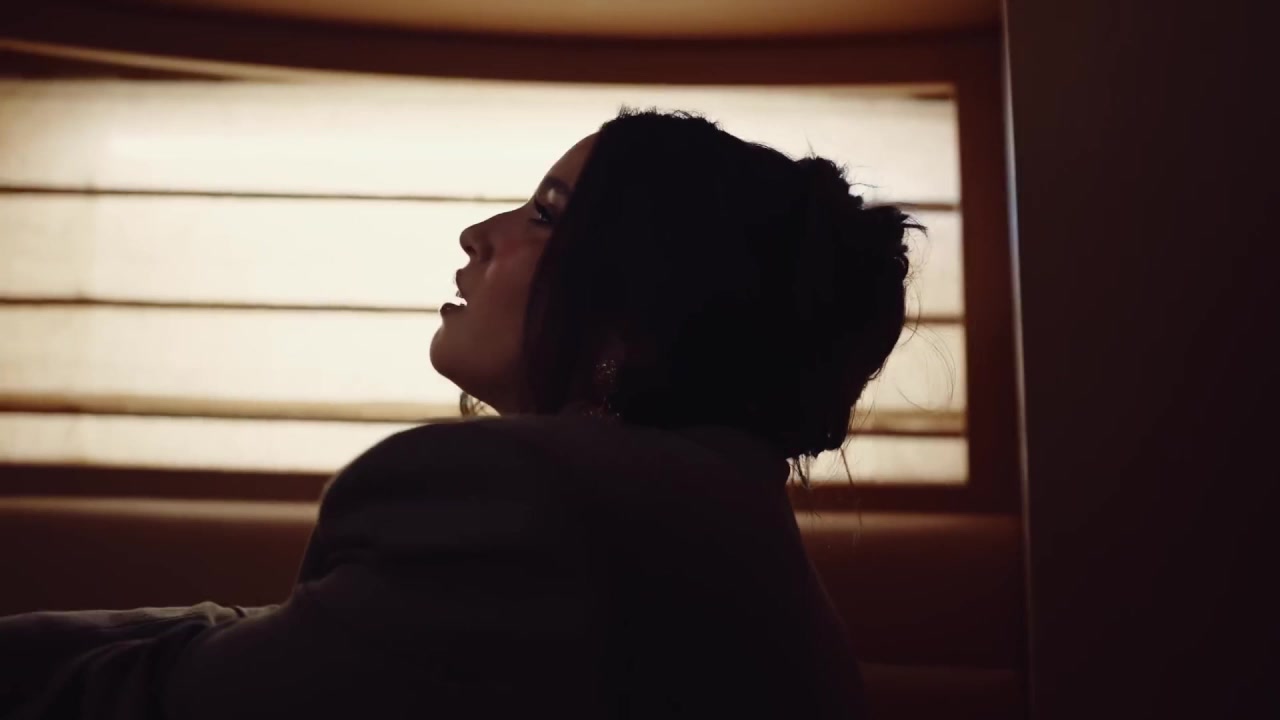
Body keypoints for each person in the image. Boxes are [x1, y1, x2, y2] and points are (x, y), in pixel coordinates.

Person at [0, 108, 915, 719]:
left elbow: (178, 703)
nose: (479, 234)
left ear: (634, 319)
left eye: (546, 215)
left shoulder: (517, 498)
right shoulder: (724, 518)